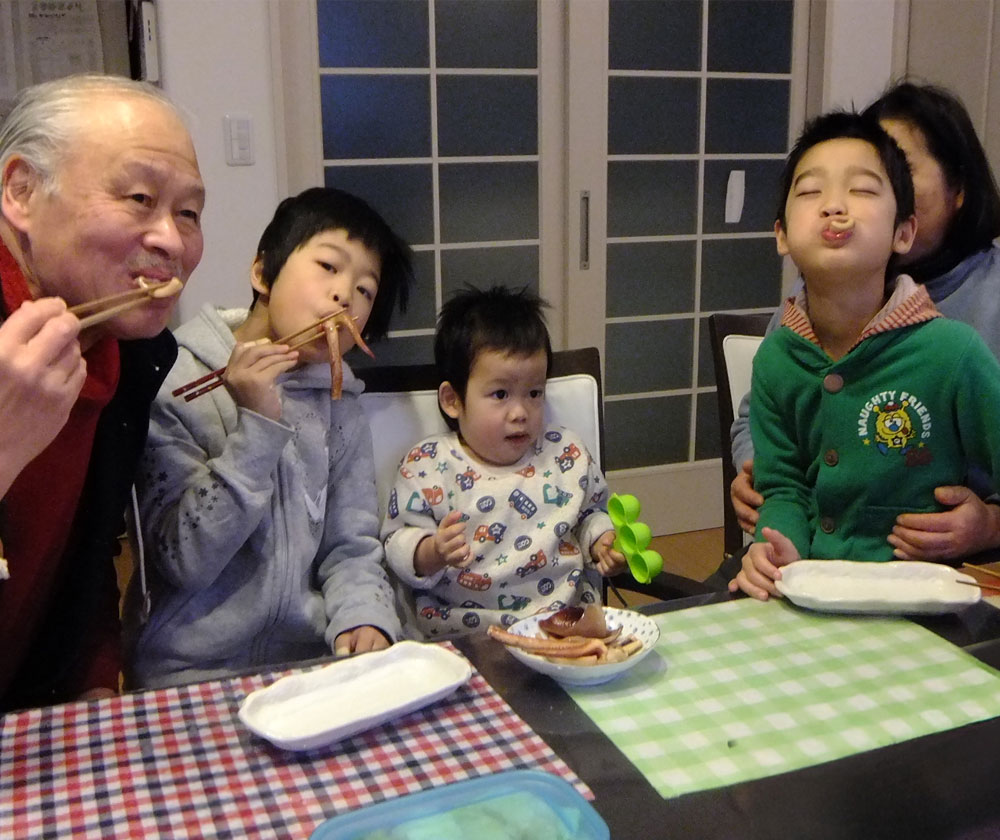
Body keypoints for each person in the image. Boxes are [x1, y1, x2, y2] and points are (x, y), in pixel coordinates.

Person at [124, 187, 412, 689]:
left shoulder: (341, 409)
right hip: (189, 672)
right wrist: (257, 425)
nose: (346, 295)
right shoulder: (175, 381)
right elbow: (183, 561)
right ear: (262, 273)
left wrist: (365, 617)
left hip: (308, 663)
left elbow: (351, 545)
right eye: (329, 266)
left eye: (366, 289)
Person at [731, 110, 1000, 600]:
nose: (835, 206)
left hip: (927, 603)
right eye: (811, 192)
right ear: (782, 235)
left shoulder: (953, 352)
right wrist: (773, 550)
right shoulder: (776, 358)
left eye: (863, 190)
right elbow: (784, 487)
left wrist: (992, 523)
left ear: (904, 232)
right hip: (810, 595)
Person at [0, 74, 205, 710]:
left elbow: (89, 551)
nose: (170, 240)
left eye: (189, 212)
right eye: (140, 197)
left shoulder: (131, 351)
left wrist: (94, 678)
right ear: (21, 191)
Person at [381, 285, 626, 639]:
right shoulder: (428, 465)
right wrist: (432, 550)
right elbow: (396, 542)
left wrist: (601, 541)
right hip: (466, 640)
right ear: (452, 400)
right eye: (500, 394)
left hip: (564, 628)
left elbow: (590, 513)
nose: (520, 412)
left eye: (534, 393)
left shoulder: (566, 453)